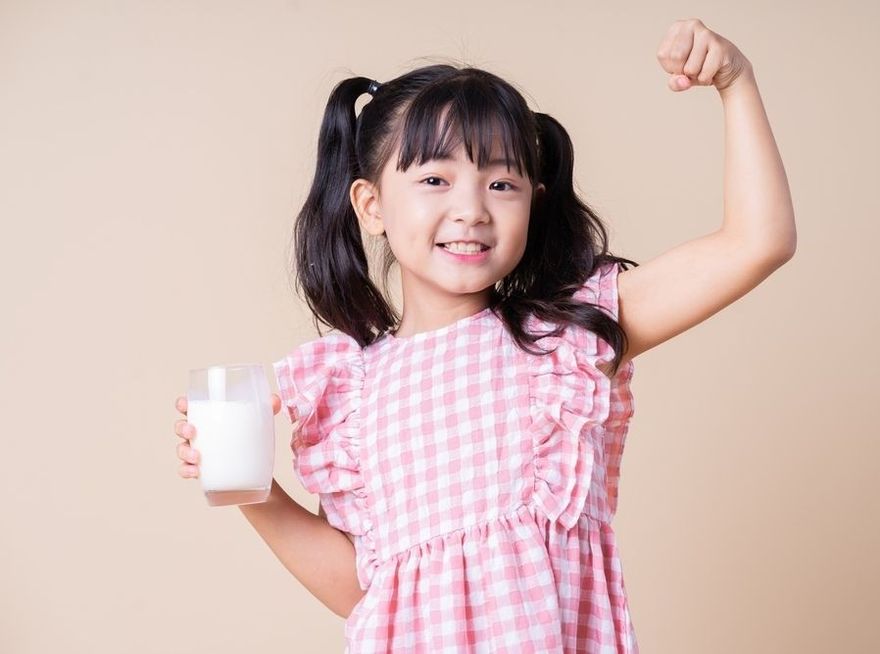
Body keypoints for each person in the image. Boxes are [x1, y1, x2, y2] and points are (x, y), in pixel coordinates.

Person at [173, 18, 795, 653]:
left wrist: (735, 83)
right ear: (372, 206)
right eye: (435, 180)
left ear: (534, 201)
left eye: (501, 183)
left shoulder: (568, 339)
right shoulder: (352, 391)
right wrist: (251, 488)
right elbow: (365, 593)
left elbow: (758, 241)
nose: (471, 208)